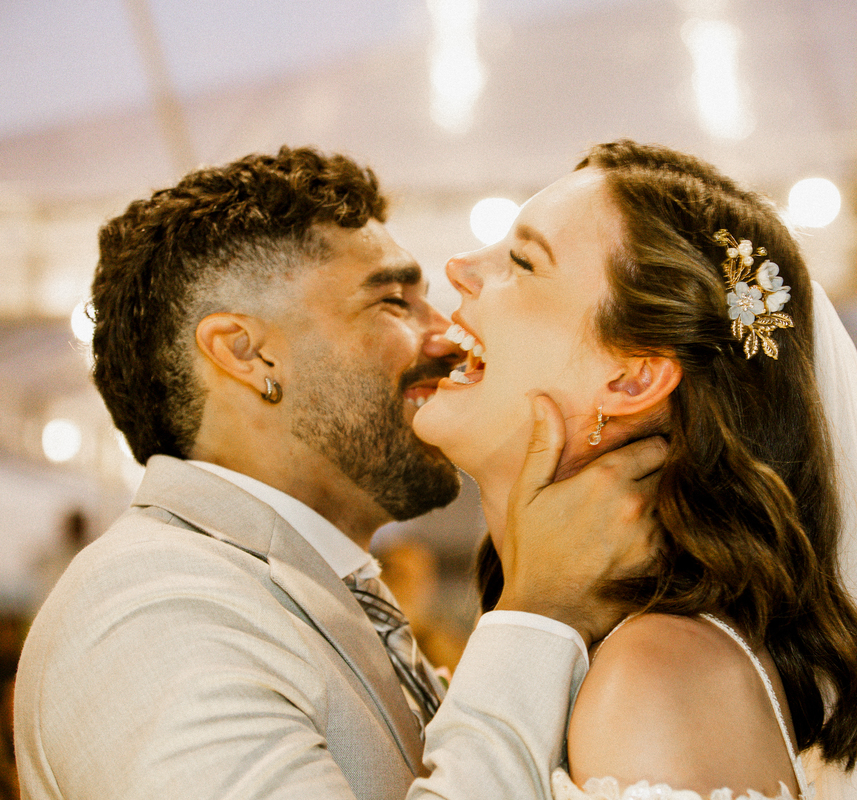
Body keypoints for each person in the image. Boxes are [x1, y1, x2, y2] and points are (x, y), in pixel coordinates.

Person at [14, 146, 666, 799]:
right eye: (393, 301)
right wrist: (540, 608)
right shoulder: (151, 611)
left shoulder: (303, 588)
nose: (447, 334)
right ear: (247, 353)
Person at [413, 140, 857, 799]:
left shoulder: (653, 680)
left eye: (523, 262)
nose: (459, 268)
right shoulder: (624, 653)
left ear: (632, 379)